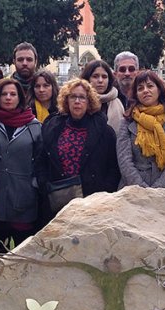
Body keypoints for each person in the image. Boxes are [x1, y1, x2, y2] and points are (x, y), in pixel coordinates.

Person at [37, 78, 119, 221]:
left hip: (93, 202)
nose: (77, 101)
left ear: (89, 101)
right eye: (73, 96)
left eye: (82, 97)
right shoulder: (52, 126)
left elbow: (113, 167)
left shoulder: (105, 131)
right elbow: (41, 160)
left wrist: (104, 192)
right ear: (66, 100)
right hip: (57, 199)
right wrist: (45, 185)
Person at [0, 77, 42, 254]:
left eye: (13, 94)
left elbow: (40, 160)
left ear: (20, 98)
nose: (8, 97)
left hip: (24, 197)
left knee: (24, 251)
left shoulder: (34, 126)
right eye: (4, 94)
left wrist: (34, 185)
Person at [116, 70, 165, 194]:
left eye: (150, 86)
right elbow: (124, 160)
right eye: (140, 88)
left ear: (159, 89)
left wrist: (158, 190)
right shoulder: (126, 123)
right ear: (136, 94)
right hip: (131, 192)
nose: (145, 90)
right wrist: (142, 190)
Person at [81, 59, 125, 134]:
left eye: (104, 77)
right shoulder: (79, 101)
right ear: (87, 79)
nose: (100, 80)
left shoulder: (118, 101)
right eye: (95, 76)